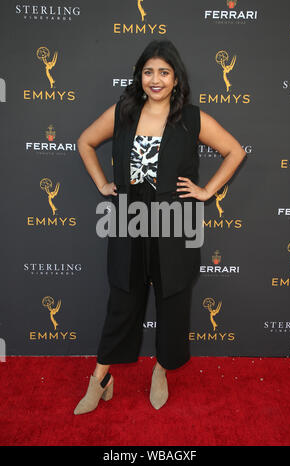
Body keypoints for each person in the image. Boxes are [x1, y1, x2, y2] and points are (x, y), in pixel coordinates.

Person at [73, 39, 246, 415]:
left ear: (175, 78)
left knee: (172, 301)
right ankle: (100, 377)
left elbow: (235, 150)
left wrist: (205, 191)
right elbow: (85, 141)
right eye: (149, 72)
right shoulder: (123, 112)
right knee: (122, 299)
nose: (155, 79)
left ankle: (161, 371)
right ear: (140, 75)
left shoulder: (192, 118)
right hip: (128, 218)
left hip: (175, 221)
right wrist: (104, 184)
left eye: (163, 72)